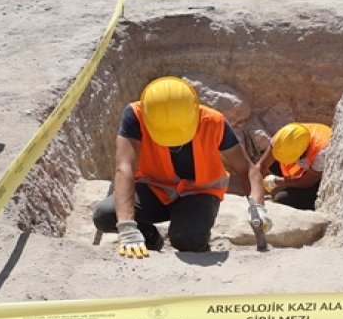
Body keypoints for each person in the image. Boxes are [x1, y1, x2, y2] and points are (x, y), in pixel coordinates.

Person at [93, 76, 268, 257]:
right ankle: (150, 239)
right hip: (155, 187)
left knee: (187, 240)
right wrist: (127, 227)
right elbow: (125, 167)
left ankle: (199, 248)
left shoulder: (213, 122)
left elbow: (247, 169)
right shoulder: (135, 116)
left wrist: (258, 207)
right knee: (105, 216)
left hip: (200, 192)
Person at [255, 122, 331, 211]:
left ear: (302, 152)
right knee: (271, 164)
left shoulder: (321, 153)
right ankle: (291, 182)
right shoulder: (283, 138)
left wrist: (277, 181)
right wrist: (254, 188)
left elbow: (307, 182)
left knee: (282, 199)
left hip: (317, 176)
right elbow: (262, 165)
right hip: (304, 163)